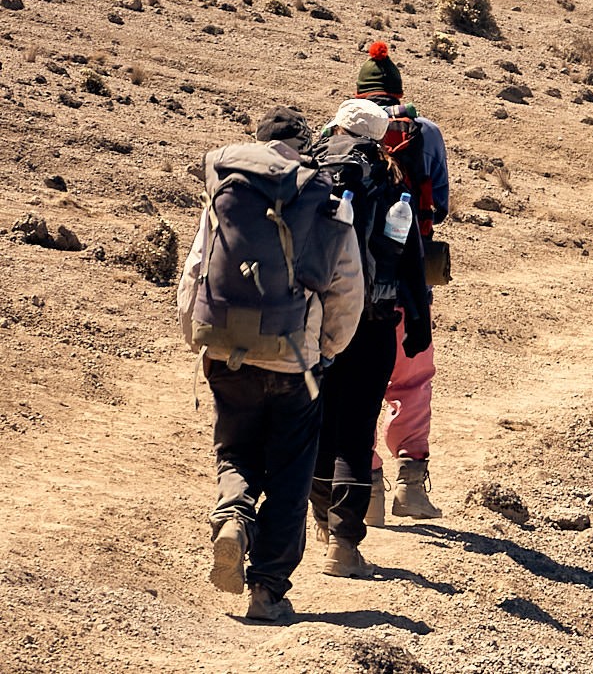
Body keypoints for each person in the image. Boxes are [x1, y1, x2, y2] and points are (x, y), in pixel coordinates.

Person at [181, 108, 363, 622]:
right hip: (293, 363)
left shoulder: (229, 191)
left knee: (236, 450)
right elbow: (346, 289)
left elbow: (197, 270)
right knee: (289, 474)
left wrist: (200, 339)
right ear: (303, 145)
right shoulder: (320, 196)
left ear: (258, 143)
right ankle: (267, 590)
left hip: (223, 350)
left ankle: (234, 516)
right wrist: (326, 349)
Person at [305, 99, 433, 577]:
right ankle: (343, 545)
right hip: (374, 321)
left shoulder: (309, 171)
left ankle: (321, 517)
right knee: (356, 434)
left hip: (313, 322)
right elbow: (410, 259)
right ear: (380, 139)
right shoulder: (389, 180)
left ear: (336, 126)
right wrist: (417, 322)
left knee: (318, 424)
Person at [354, 41, 448, 521]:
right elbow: (442, 206)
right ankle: (411, 486)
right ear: (398, 91)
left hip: (351, 286)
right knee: (412, 378)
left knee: (358, 382)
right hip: (411, 283)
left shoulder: (341, 131)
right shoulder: (425, 132)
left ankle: (367, 491)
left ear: (359, 94)